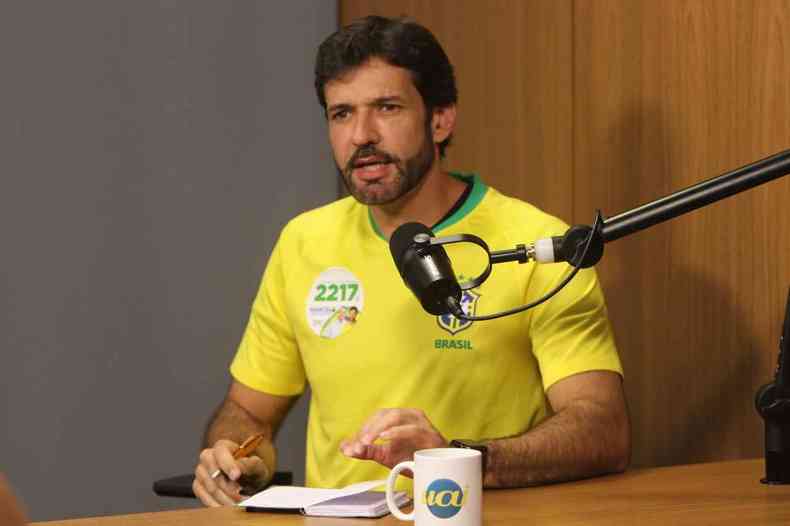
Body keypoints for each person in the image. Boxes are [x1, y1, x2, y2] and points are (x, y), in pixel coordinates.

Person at [193, 15, 630, 507]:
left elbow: (601, 428)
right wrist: (236, 454)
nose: (361, 134)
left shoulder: (539, 243)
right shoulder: (303, 242)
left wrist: (457, 459)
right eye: (341, 114)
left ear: (440, 119)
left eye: (387, 107)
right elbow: (247, 411)